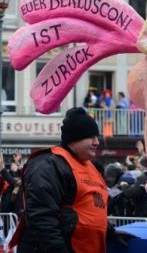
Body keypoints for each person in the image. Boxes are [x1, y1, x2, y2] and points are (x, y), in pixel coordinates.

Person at [14, 107, 108, 252]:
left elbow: (90, 208)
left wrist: (110, 231)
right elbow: (42, 218)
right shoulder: (49, 165)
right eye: (91, 137)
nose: (97, 142)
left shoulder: (90, 166)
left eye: (97, 137)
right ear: (73, 140)